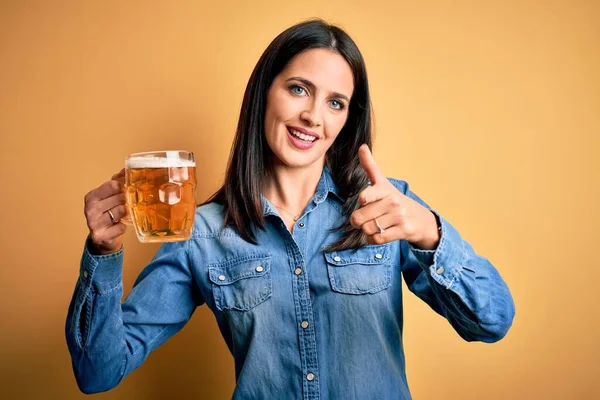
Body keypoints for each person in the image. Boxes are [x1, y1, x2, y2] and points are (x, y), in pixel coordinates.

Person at [66, 19, 515, 399]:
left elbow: (491, 322)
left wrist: (431, 233)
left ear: (345, 120)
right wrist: (103, 254)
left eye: (335, 103)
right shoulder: (202, 234)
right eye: (299, 89)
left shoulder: (387, 206)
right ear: (265, 92)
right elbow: (98, 372)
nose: (314, 116)